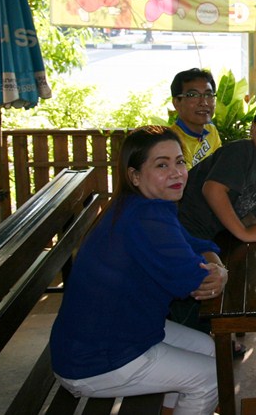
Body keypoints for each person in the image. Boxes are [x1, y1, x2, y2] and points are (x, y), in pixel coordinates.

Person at [49, 126, 226, 414]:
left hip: (121, 332)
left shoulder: (145, 205)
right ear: (134, 176)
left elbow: (196, 244)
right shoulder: (146, 217)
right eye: (162, 165)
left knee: (209, 348)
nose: (176, 173)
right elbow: (195, 282)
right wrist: (217, 272)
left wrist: (216, 266)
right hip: (96, 359)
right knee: (213, 377)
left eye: (180, 162)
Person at [178, 96, 256, 243]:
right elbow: (213, 190)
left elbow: (242, 214)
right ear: (253, 127)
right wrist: (245, 233)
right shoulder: (241, 151)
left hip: (205, 238)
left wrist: (255, 223)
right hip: (178, 226)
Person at [169, 68, 221, 169]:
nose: (204, 102)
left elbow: (220, 165)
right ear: (176, 102)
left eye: (208, 95)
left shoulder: (211, 130)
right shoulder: (172, 141)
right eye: (193, 95)